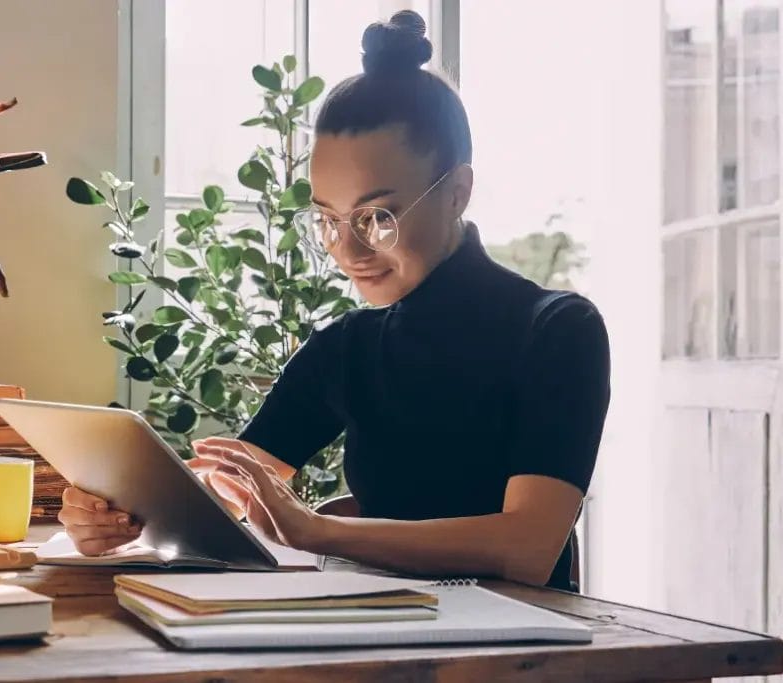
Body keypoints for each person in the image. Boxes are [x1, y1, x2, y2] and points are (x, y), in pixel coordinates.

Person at [58, 10, 610, 591]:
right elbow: (229, 490)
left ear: (457, 193)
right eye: (327, 219)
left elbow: (526, 548)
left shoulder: (556, 331)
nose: (347, 249)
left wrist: (317, 531)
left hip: (522, 652)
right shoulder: (347, 347)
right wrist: (123, 518)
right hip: (380, 630)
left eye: (376, 216)